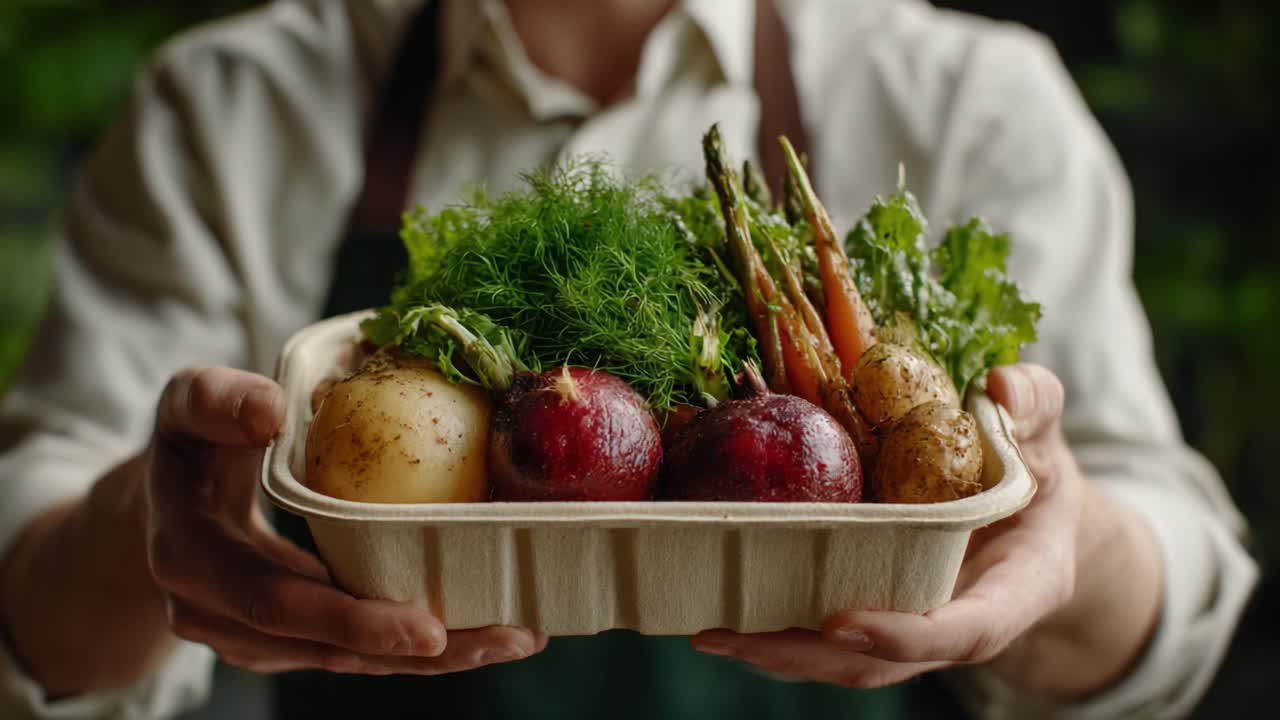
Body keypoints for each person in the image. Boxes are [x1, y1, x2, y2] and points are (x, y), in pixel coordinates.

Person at [0, 0, 1259, 718]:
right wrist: (141, 528)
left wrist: (1064, 529)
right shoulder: (228, 107)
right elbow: (29, 622)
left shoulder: (972, 98)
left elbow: (1173, 595)